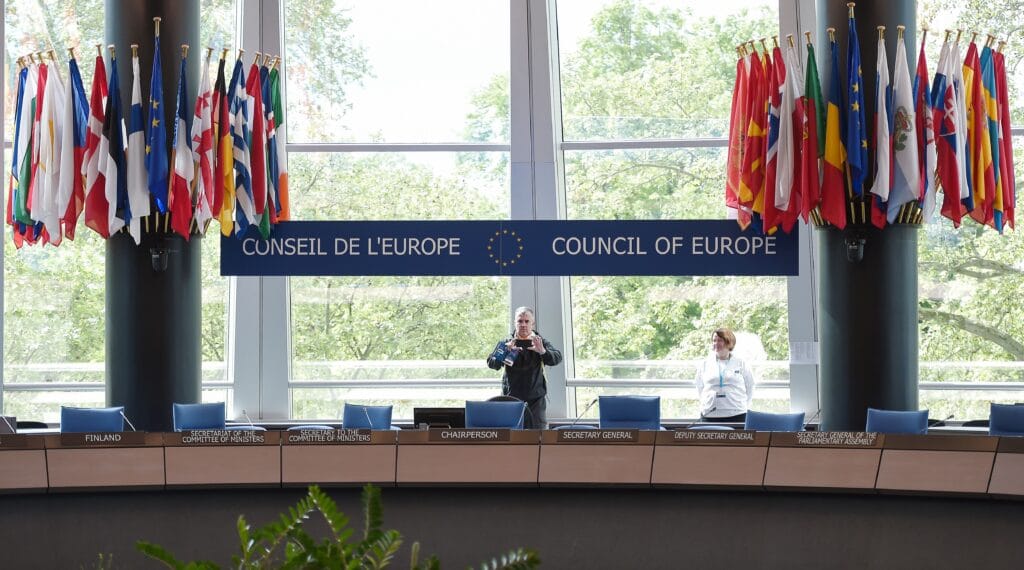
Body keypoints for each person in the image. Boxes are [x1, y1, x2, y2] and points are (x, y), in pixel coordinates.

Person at [486, 306, 562, 429]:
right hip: (510, 399)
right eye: (520, 321)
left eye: (527, 321)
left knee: (537, 438)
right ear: (514, 323)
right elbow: (492, 363)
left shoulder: (540, 342)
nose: (523, 325)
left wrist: (542, 351)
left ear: (532, 323)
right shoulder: (507, 342)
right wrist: (505, 352)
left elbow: (557, 358)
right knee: (511, 438)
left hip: (536, 400)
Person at [695, 327, 756, 423]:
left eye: (720, 340)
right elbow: (699, 386)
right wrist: (707, 401)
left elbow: (750, 386)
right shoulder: (705, 363)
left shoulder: (741, 363)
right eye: (714, 340)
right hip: (710, 413)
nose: (716, 343)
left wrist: (743, 405)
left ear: (729, 342)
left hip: (737, 412)